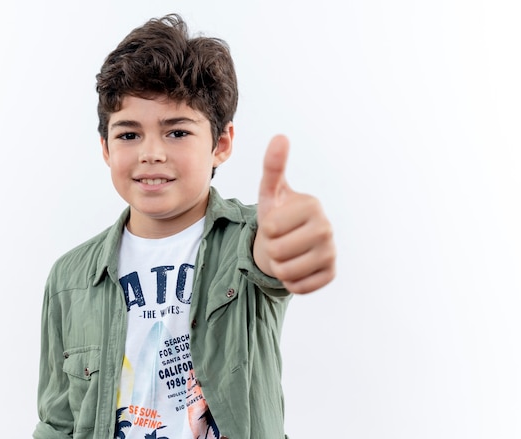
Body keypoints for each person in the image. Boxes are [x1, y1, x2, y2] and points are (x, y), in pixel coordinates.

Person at [34, 13, 336, 439]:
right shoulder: (69, 280)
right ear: (104, 147)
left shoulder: (247, 239)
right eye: (128, 135)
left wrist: (288, 239)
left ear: (221, 143)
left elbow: (272, 262)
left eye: (176, 132)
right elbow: (57, 422)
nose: (151, 153)